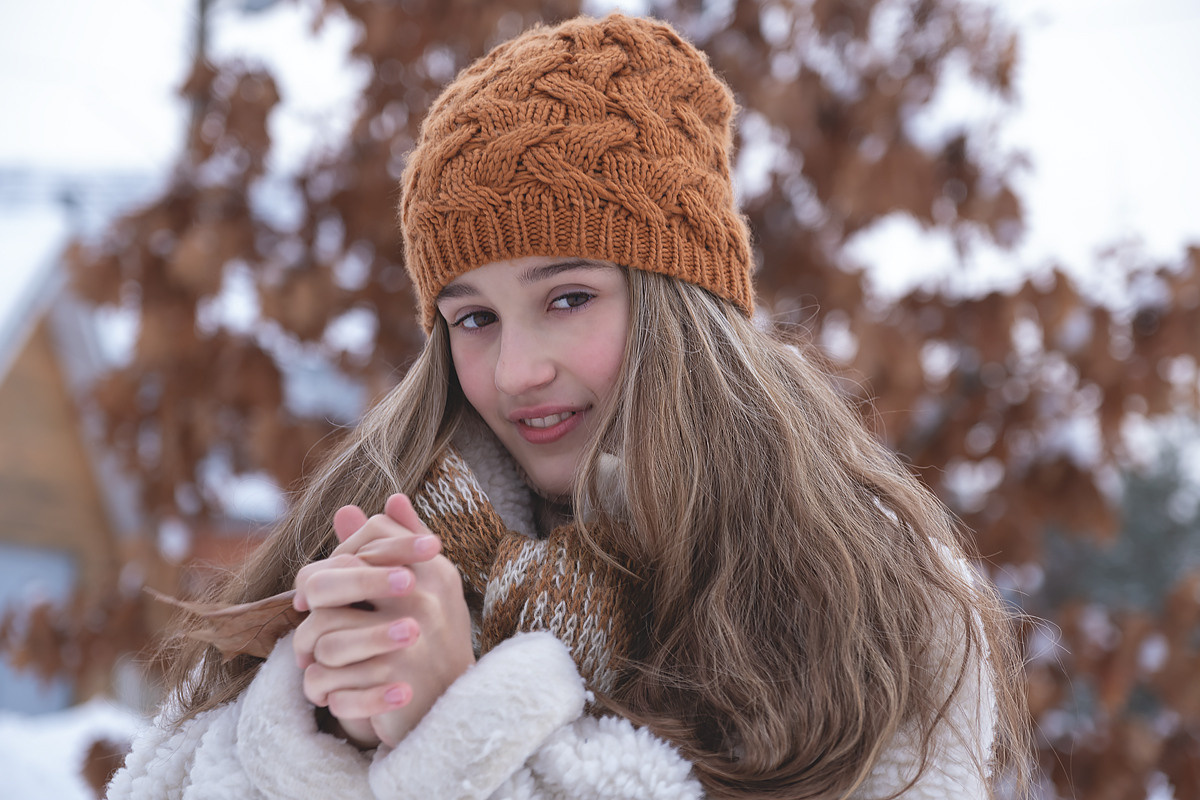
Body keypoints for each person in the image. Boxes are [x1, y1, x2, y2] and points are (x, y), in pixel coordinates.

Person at [107, 12, 1029, 799]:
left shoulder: (870, 584)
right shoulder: (377, 532)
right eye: (472, 318)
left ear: (679, 306)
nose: (514, 372)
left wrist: (449, 726)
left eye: (568, 299)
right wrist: (337, 720)